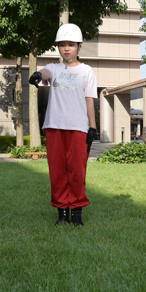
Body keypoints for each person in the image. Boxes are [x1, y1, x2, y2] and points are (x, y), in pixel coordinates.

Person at [29, 23, 97, 226]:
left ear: (79, 47)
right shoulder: (54, 68)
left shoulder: (86, 71)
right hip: (54, 126)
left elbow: (89, 100)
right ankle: (62, 214)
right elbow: (45, 73)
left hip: (78, 128)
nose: (67, 48)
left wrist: (92, 127)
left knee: (77, 171)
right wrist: (38, 75)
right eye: (62, 44)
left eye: (71, 44)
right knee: (58, 172)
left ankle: (76, 214)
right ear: (58, 47)